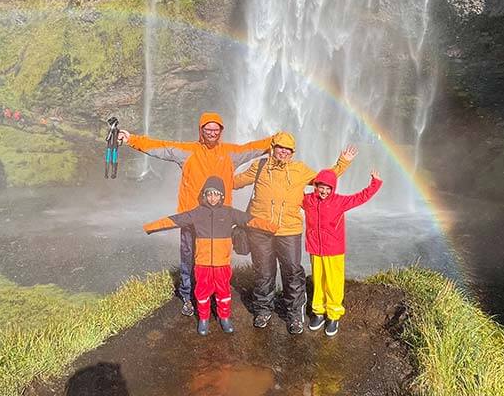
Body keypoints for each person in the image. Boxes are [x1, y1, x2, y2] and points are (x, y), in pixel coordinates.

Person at [118, 112, 272, 316]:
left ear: (221, 131)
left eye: (216, 130)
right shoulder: (187, 151)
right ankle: (188, 296)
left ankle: (216, 297)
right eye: (207, 129)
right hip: (192, 217)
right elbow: (161, 148)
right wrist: (131, 139)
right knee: (189, 257)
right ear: (201, 130)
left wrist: (275, 141)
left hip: (219, 221)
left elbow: (251, 148)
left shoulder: (230, 153)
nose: (212, 133)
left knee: (219, 261)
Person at [233, 132, 357, 334]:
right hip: (260, 229)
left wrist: (343, 162)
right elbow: (235, 181)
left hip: (289, 231)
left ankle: (294, 315)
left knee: (292, 272)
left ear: (292, 152)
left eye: (288, 149)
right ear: (272, 147)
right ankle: (263, 310)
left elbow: (324, 179)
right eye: (280, 147)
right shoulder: (260, 166)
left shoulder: (300, 170)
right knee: (263, 271)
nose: (283, 151)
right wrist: (211, 179)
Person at [144, 175, 277, 335]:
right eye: (209, 194)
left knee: (223, 292)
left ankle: (225, 317)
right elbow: (175, 220)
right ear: (205, 195)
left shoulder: (229, 213)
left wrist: (272, 227)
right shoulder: (197, 213)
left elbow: (250, 220)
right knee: (202, 292)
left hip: (222, 264)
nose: (213, 197)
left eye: (216, 194)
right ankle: (204, 318)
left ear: (221, 196)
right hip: (203, 264)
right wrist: (150, 227)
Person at [303, 167, 382, 337]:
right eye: (320, 187)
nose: (324, 191)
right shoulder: (308, 200)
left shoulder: (339, 201)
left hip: (333, 249)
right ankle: (318, 312)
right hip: (315, 247)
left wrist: (374, 183)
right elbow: (290, 192)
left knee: (333, 282)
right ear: (315, 186)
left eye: (328, 188)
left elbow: (361, 197)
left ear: (333, 188)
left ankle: (333, 315)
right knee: (318, 280)